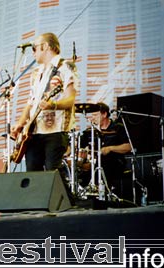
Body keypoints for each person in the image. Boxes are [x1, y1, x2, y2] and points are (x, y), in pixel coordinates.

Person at [10, 32, 78, 173]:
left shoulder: (65, 66)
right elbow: (30, 103)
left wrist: (53, 105)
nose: (33, 52)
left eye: (34, 48)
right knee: (32, 176)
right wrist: (20, 124)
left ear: (46, 46)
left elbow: (70, 99)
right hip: (34, 131)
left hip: (55, 130)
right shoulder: (36, 73)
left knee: (53, 175)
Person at [81, 102, 131, 199]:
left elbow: (128, 147)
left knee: (104, 164)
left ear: (104, 114)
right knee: (82, 169)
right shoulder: (89, 132)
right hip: (94, 163)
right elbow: (79, 146)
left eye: (95, 115)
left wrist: (110, 148)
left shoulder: (118, 127)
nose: (93, 118)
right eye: (92, 116)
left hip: (115, 163)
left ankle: (105, 195)